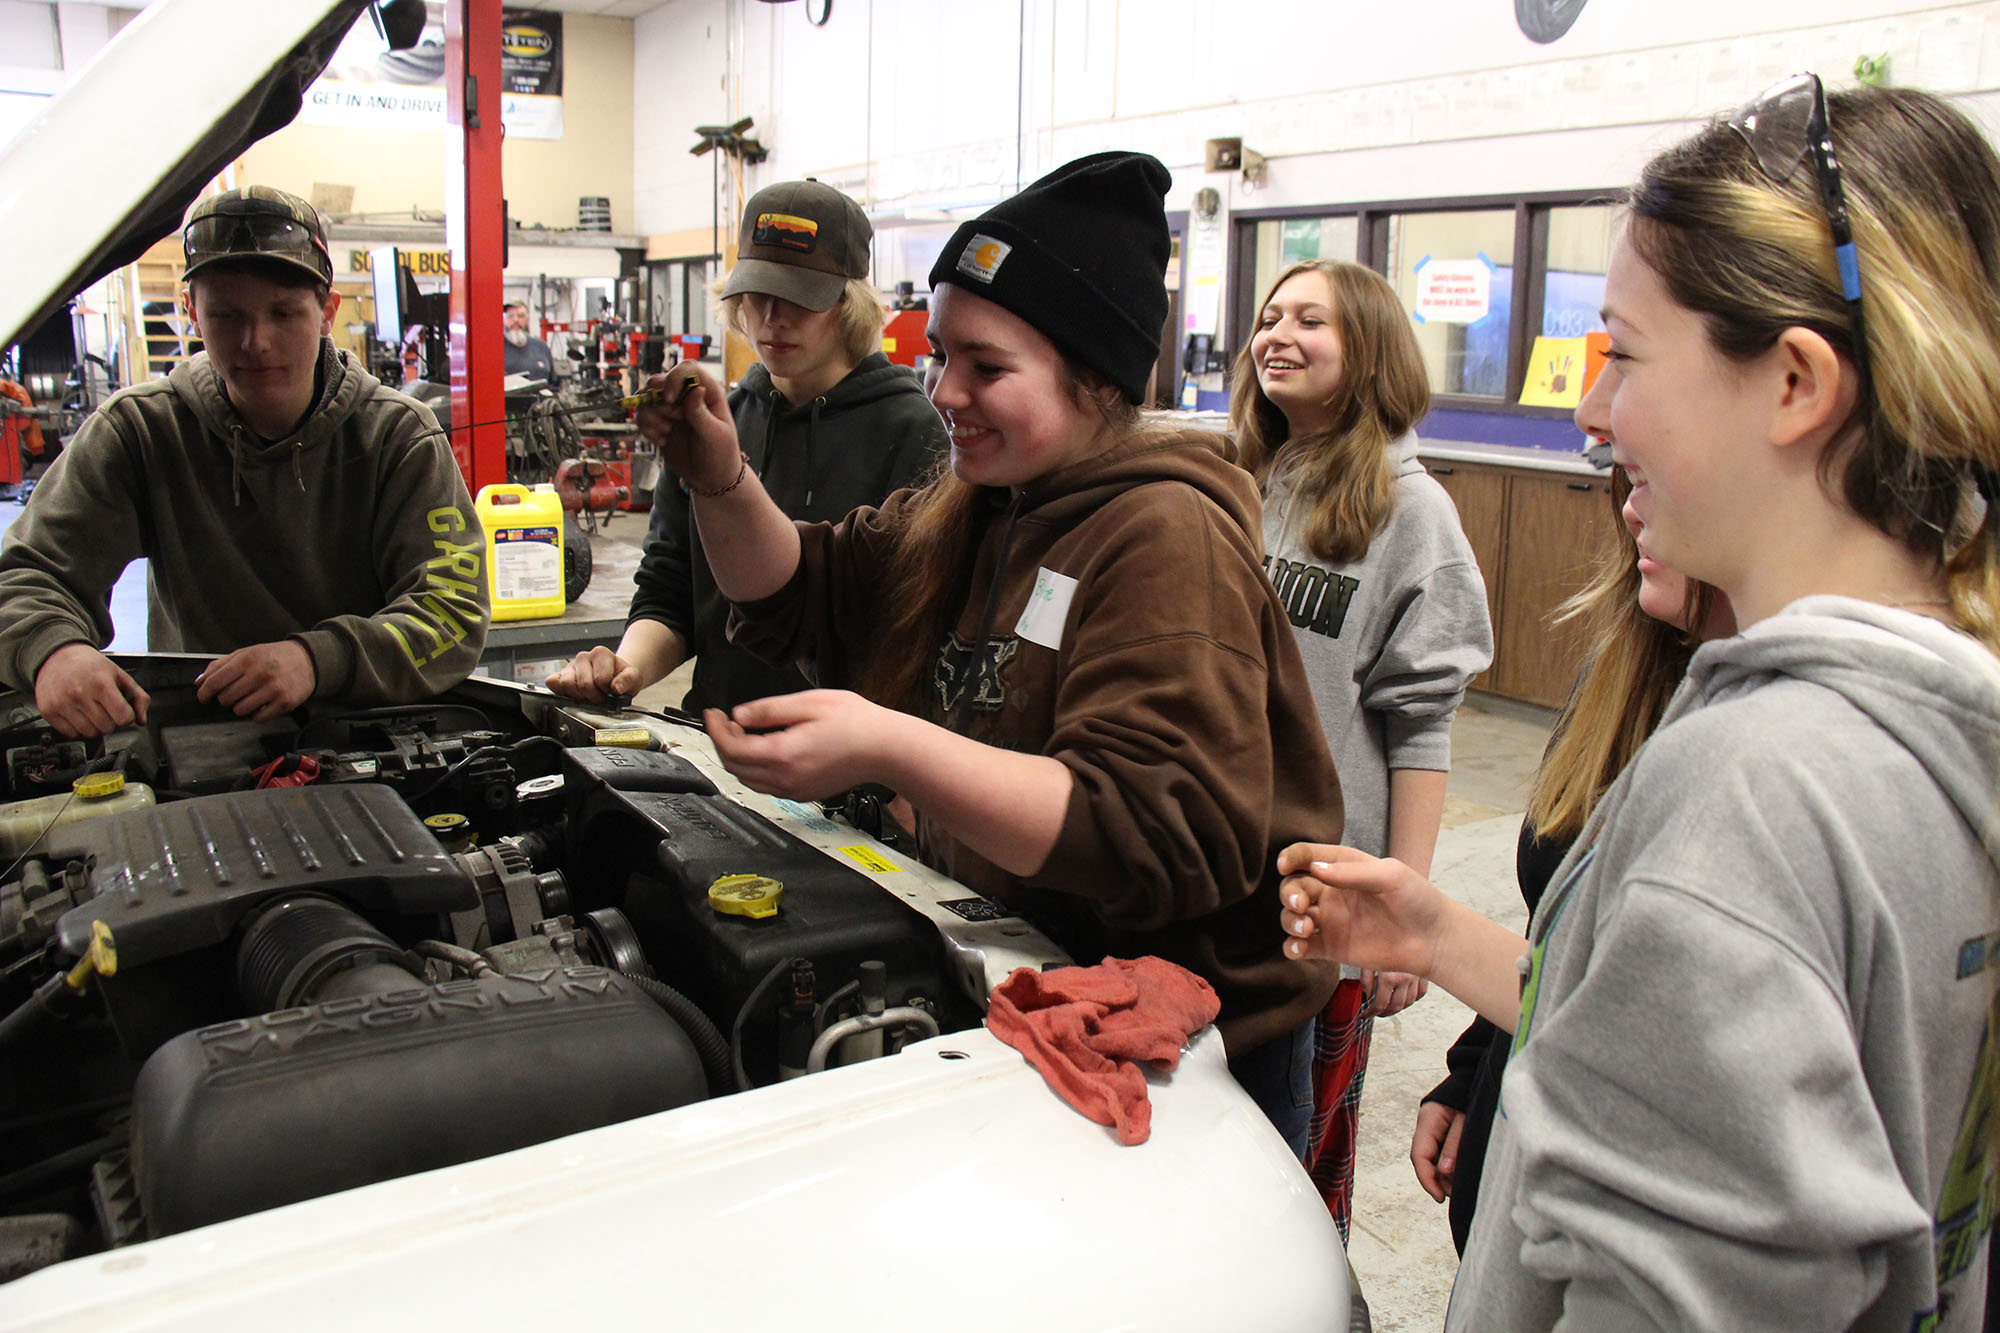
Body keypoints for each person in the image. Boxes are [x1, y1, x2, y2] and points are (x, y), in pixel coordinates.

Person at [1281, 79, 2000, 1327]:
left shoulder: (1753, 791)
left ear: (1792, 383)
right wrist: (1446, 936)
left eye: (1625, 350)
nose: (1590, 408)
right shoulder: (1936, 729)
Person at [629, 151, 1343, 1146]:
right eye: (942, 355)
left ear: (1094, 379)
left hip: (1187, 1069)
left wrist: (888, 744)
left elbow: (1151, 828)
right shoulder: (981, 507)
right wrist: (717, 477)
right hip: (1039, 1001)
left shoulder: (1163, 537)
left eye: (986, 366)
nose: (945, 391)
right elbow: (804, 582)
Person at [0, 186, 488, 738]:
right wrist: (54, 650)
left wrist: (317, 660)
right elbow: (25, 575)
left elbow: (451, 612)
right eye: (227, 315)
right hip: (199, 742)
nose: (256, 341)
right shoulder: (140, 432)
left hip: (367, 732)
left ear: (327, 312)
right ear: (191, 313)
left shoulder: (399, 438)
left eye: (284, 312)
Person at [1229, 258, 1493, 1230]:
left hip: (1326, 902)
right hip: (1220, 877)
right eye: (1267, 317)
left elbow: (1420, 723)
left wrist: (1403, 913)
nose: (1276, 335)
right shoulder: (1236, 478)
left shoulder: (1409, 511)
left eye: (1310, 320)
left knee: (1300, 1172)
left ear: (1369, 351)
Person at [1412, 475, 1730, 1254]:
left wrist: (1434, 936)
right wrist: (1474, 1067)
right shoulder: (1629, 668)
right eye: (1630, 479)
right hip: (1521, 1160)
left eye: (1657, 478)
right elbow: (1556, 913)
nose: (1628, 506)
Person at [546, 179, 944, 714]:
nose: (773, 316)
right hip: (716, 741)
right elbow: (672, 583)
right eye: (758, 294)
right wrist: (627, 668)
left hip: (844, 771)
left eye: (801, 297)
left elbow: (912, 631)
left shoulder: (914, 431)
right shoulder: (717, 425)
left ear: (850, 302)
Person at [502, 299, 557, 384]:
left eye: (521, 316)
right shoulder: (496, 349)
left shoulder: (541, 346)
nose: (516, 320)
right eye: (510, 316)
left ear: (528, 319)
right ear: (503, 319)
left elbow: (553, 382)